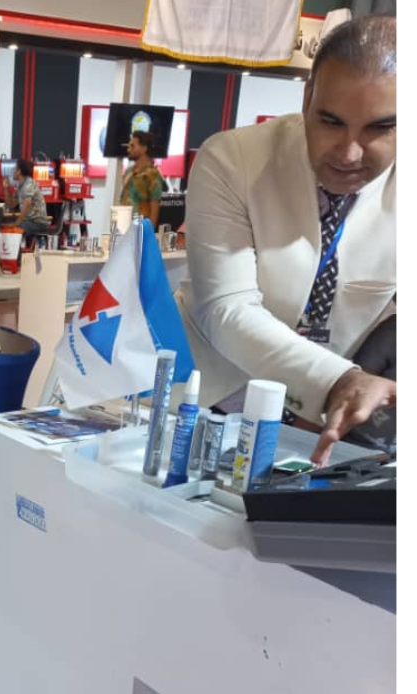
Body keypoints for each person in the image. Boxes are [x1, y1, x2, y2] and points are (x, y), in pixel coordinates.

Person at [177, 14, 396, 466]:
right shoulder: (233, 159)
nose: (349, 153)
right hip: (212, 397)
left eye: (379, 128)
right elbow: (226, 308)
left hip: (325, 423)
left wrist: (352, 386)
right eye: (331, 122)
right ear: (306, 97)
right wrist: (334, 381)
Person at [118, 130, 165, 227]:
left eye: (132, 146)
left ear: (144, 149)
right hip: (123, 226)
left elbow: (154, 207)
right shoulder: (129, 172)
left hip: (141, 227)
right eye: (129, 146)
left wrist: (149, 232)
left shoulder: (153, 175)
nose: (128, 150)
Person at [8, 158, 51, 246]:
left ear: (19, 171)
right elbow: (11, 204)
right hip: (29, 221)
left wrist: (17, 223)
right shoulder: (20, 185)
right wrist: (6, 188)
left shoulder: (28, 184)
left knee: (12, 229)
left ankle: (15, 253)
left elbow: (27, 203)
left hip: (37, 222)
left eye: (14, 169)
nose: (12, 172)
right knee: (8, 226)